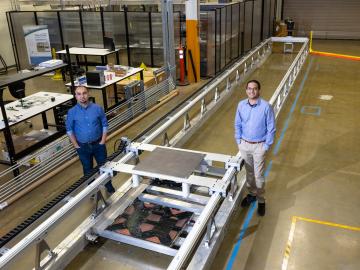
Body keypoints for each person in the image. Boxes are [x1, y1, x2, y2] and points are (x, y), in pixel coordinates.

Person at [234, 80, 275, 216]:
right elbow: (238, 124)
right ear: (246, 90)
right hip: (244, 145)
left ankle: (261, 200)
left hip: (259, 146)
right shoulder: (241, 105)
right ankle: (251, 194)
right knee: (249, 173)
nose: (252, 91)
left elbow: (271, 128)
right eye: (249, 89)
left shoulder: (266, 107)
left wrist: (266, 146)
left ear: (259, 90)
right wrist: (239, 140)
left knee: (258, 176)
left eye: (255, 89)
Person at [66, 86, 115, 194]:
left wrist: (102, 141)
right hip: (82, 147)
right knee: (88, 170)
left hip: (98, 145)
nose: (82, 96)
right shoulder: (72, 112)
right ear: (75, 96)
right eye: (79, 94)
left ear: (88, 94)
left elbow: (104, 125)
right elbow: (69, 130)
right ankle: (92, 191)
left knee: (104, 166)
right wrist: (76, 146)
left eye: (84, 93)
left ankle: (109, 187)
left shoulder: (97, 108)